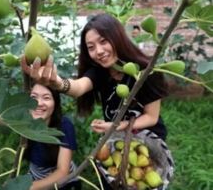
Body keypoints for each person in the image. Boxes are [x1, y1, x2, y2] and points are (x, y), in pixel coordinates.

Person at [21, 13, 168, 141]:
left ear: (118, 38)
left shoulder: (147, 71)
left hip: (149, 139)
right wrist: (57, 82)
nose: (98, 51)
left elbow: (151, 117)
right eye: (91, 47)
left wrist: (116, 126)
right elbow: (78, 87)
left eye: (103, 41)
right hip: (117, 138)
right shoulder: (101, 71)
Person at [25, 83, 81, 190]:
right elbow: (1, 117)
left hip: (63, 184)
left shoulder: (65, 125)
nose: (39, 103)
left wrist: (28, 187)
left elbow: (62, 172)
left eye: (46, 98)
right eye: (33, 97)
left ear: (55, 102)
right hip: (34, 177)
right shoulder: (25, 121)